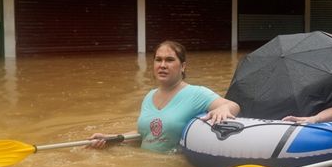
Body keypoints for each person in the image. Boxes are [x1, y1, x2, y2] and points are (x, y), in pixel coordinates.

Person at [88, 40, 240, 152]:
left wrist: (223, 109)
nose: (162, 65)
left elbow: (233, 106)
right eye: (158, 60)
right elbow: (145, 135)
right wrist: (109, 139)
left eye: (169, 60)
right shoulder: (149, 96)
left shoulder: (196, 93)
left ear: (183, 66)